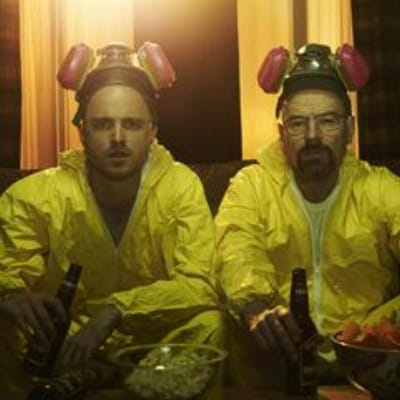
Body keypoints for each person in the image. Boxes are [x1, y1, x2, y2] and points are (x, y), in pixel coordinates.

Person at [0, 42, 223, 399]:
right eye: (103, 125)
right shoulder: (34, 196)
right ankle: (97, 375)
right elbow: (9, 267)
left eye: (131, 124)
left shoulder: (180, 186)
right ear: (82, 131)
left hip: (150, 342)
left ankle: (117, 378)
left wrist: (118, 309)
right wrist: (10, 296)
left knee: (210, 325)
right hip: (69, 340)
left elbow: (199, 284)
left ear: (152, 131)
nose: (118, 139)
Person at [215, 43, 400, 389]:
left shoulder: (379, 188)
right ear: (282, 133)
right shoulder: (251, 186)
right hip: (273, 371)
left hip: (365, 371)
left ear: (350, 130)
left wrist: (378, 330)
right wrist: (255, 305)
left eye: (328, 121)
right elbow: (237, 248)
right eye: (298, 123)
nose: (313, 137)